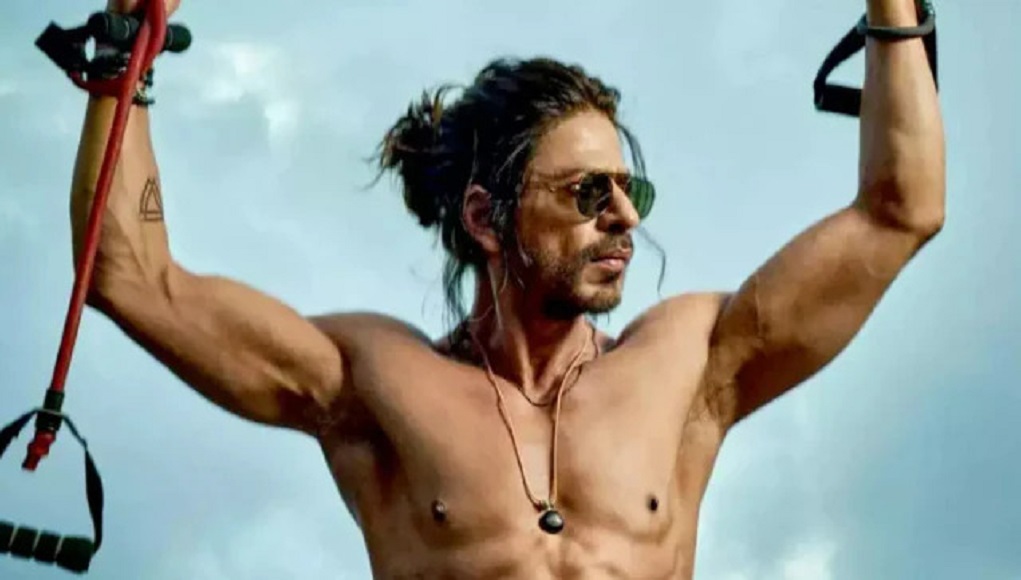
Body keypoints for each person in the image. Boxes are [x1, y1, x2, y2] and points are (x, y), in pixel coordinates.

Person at [75, 0, 944, 577]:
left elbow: (899, 211)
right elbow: (133, 279)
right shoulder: (375, 382)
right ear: (486, 219)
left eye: (629, 191)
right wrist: (124, 49)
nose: (623, 218)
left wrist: (893, 9)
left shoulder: (689, 363)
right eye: (587, 193)